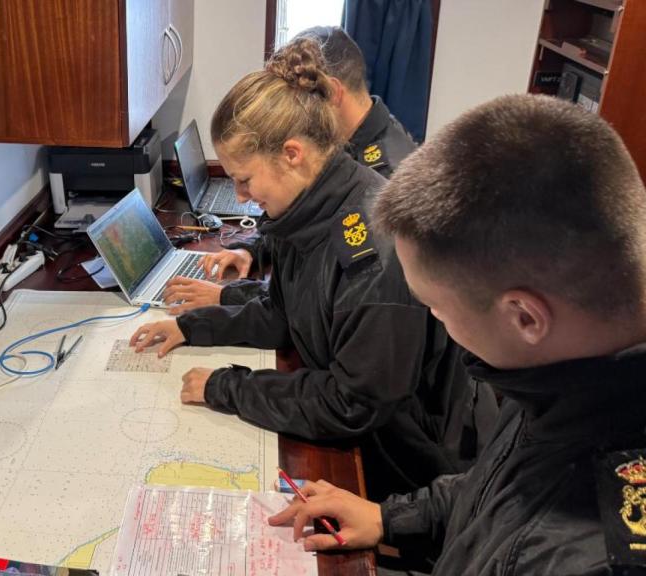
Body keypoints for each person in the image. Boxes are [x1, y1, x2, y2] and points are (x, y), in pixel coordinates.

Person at [268, 94, 646, 575]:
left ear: (525, 317)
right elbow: (497, 489)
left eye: (435, 308)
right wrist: (390, 517)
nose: (432, 321)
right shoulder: (570, 368)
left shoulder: (595, 553)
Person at [128, 37, 496, 500]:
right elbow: (283, 316)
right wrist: (194, 327)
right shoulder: (302, 214)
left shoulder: (372, 250)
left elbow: (352, 403)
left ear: (292, 153)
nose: (240, 197)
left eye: (245, 179)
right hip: (368, 428)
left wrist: (229, 388)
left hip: (408, 464)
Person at [164, 26, 417, 315]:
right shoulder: (334, 151)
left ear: (331, 92)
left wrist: (229, 297)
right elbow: (304, 224)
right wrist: (252, 249)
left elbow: (339, 293)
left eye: (306, 95)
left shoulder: (388, 176)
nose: (296, 112)